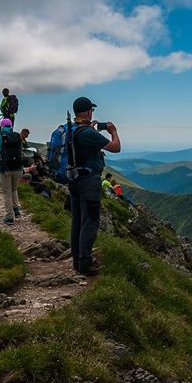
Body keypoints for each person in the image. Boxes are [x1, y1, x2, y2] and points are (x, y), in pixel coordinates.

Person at [67, 96, 120, 275]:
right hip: (89, 182)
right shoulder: (88, 133)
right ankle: (85, 263)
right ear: (89, 112)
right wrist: (113, 131)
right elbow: (115, 147)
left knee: (77, 221)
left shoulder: (71, 129)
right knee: (90, 222)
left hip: (73, 179)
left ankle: (77, 261)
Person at [0, 118, 24, 224]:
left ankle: (9, 217)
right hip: (18, 168)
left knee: (7, 193)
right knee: (14, 189)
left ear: (1, 126)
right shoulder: (17, 136)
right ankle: (16, 209)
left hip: (5, 168)